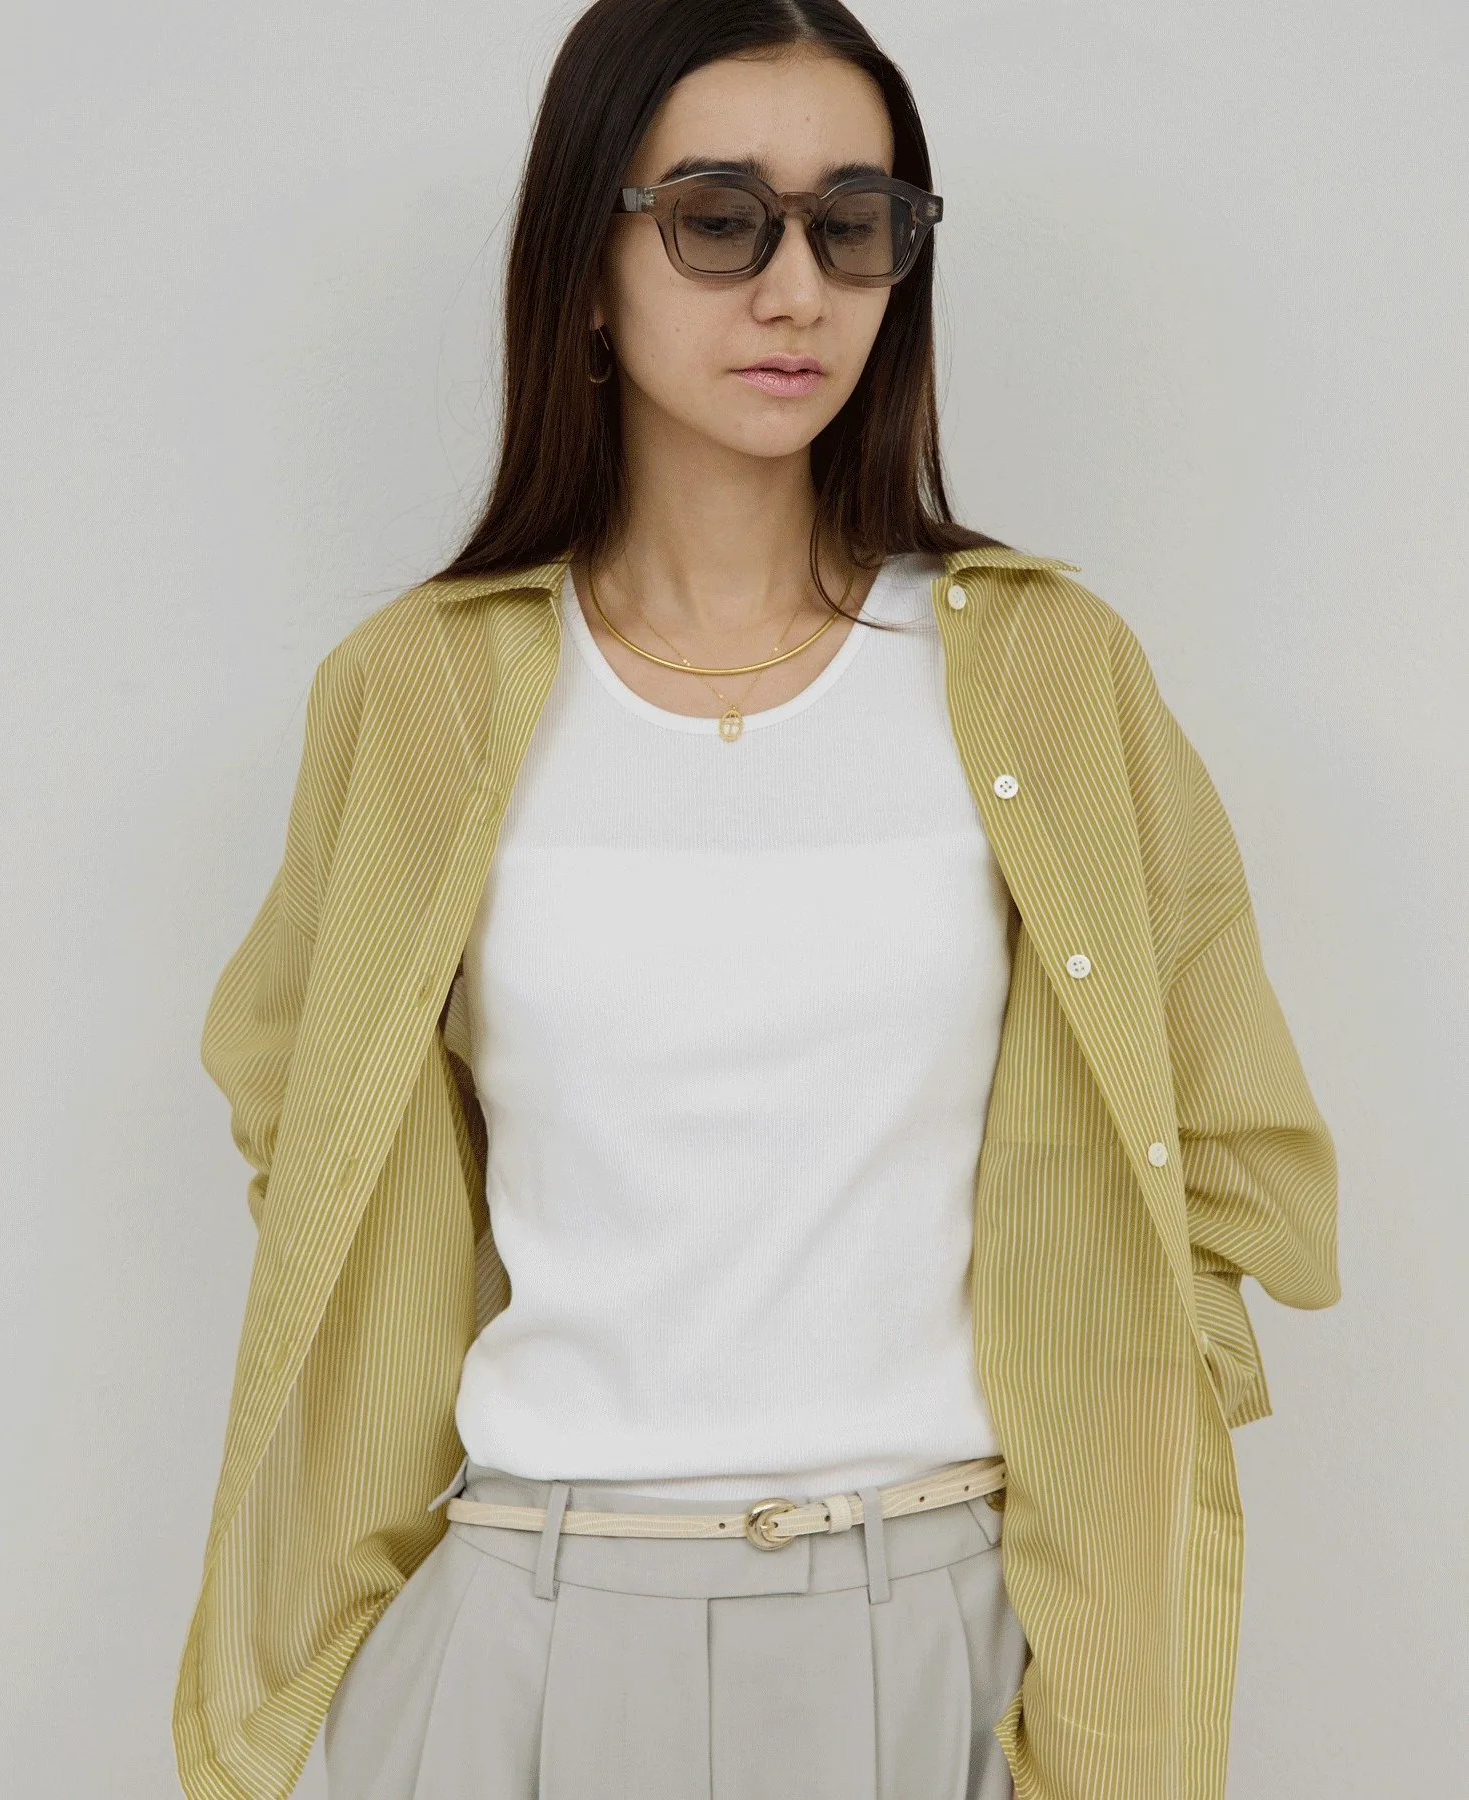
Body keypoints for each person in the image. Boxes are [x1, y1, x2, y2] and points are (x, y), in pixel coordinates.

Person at [171, 2, 1341, 1798]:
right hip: (525, 1630)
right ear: (586, 264)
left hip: (943, 1627)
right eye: (720, 220)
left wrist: (1117, 1548)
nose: (798, 290)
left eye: (854, 224)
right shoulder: (417, 693)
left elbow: (1217, 1145)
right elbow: (306, 1124)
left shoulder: (1050, 675)